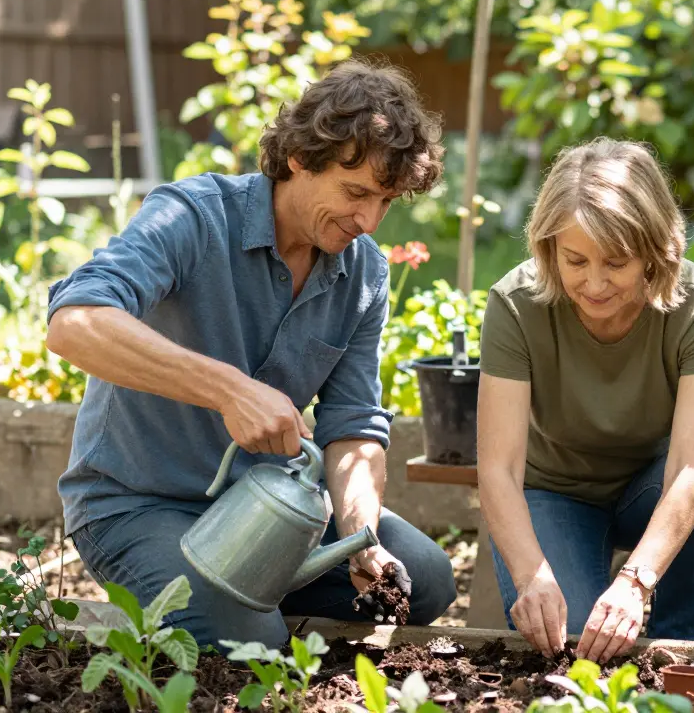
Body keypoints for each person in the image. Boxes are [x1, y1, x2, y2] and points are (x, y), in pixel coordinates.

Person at [44, 59, 458, 649]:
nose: (368, 220)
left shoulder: (362, 273)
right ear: (300, 158)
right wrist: (229, 389)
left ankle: (243, 605)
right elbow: (74, 324)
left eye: (385, 201)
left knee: (427, 579)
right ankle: (233, 613)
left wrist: (362, 535)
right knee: (255, 645)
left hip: (270, 515)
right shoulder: (193, 216)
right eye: (356, 191)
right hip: (140, 506)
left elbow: (353, 427)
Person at [476, 137, 694, 663]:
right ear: (548, 245)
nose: (594, 284)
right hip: (550, 493)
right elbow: (499, 468)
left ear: (654, 250)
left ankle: (673, 647)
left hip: (649, 487)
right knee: (578, 652)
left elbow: (693, 470)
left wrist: (636, 584)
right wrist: (533, 575)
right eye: (575, 260)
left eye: (616, 263)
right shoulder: (515, 304)